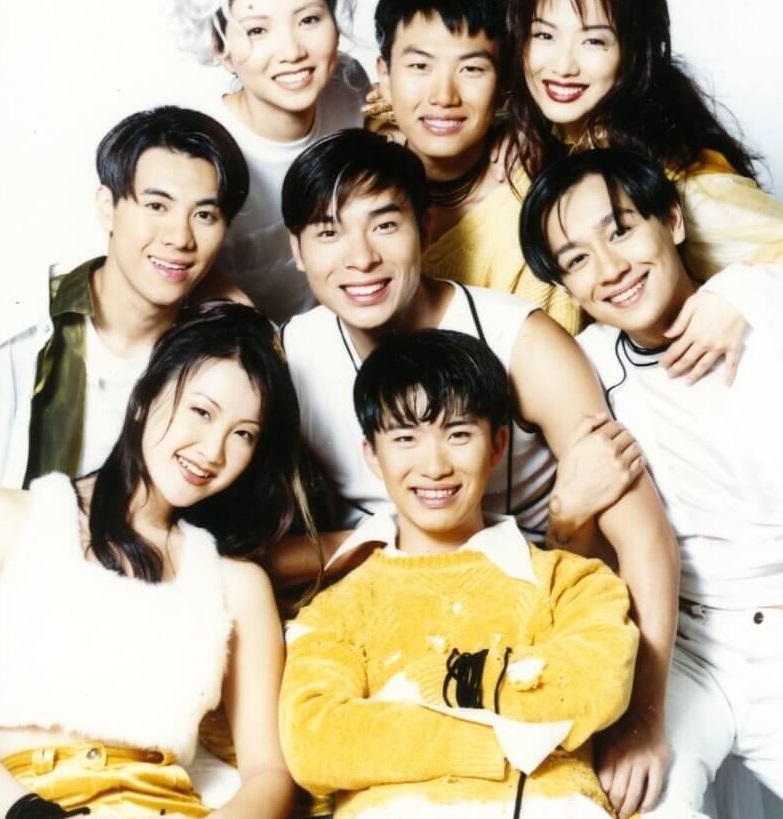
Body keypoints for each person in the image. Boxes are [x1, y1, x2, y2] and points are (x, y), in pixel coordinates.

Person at [280, 128, 678, 818]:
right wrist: (364, 544)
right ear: (295, 250)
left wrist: (641, 722)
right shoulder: (292, 353)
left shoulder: (522, 341)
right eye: (328, 232)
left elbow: (644, 538)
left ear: (426, 226)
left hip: (544, 613)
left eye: (384, 224)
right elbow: (245, 548)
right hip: (395, 620)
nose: (360, 257)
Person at [519, 147, 783, 818]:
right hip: (684, 648)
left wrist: (751, 289)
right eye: (576, 260)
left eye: (620, 230)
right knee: (630, 801)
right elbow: (591, 566)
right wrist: (566, 517)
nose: (610, 268)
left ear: (672, 221)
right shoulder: (585, 369)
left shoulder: (758, 307)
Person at [280, 328, 640, 818]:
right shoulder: (335, 610)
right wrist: (494, 738)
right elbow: (315, 743)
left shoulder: (572, 583)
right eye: (405, 438)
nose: (434, 466)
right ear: (372, 456)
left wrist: (440, 684)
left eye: (458, 434)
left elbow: (594, 687)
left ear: (497, 445)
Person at [0, 300, 315, 819]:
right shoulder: (16, 522)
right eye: (201, 411)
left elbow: (269, 775)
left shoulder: (237, 586)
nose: (212, 451)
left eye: (243, 434)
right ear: (145, 397)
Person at [505, 0, 783, 375]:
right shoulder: (558, 133)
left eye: (594, 42)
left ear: (632, 52)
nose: (562, 66)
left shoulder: (679, 174)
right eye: (544, 35)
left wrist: (741, 295)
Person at [0, 106, 249, 489]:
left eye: (204, 215)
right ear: (107, 208)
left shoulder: (216, 360)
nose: (180, 238)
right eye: (156, 207)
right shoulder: (21, 318)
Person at [167, 0, 369, 323]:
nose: (292, 51)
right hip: (241, 339)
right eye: (257, 30)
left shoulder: (348, 87)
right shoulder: (200, 148)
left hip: (343, 323)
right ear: (220, 49)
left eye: (309, 20)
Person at [371, 0, 579, 334]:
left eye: (471, 69)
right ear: (384, 76)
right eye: (419, 66)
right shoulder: (360, 144)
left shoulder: (533, 223)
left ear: (504, 83)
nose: (443, 96)